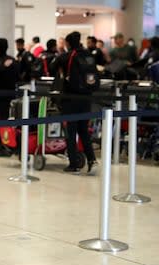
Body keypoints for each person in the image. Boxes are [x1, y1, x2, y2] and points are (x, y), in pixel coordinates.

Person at [56, 31, 97, 174]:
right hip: (86, 98)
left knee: (70, 132)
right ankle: (92, 159)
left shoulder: (66, 57)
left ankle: (73, 164)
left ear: (67, 43)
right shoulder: (88, 55)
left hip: (70, 99)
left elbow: (52, 67)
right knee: (84, 131)